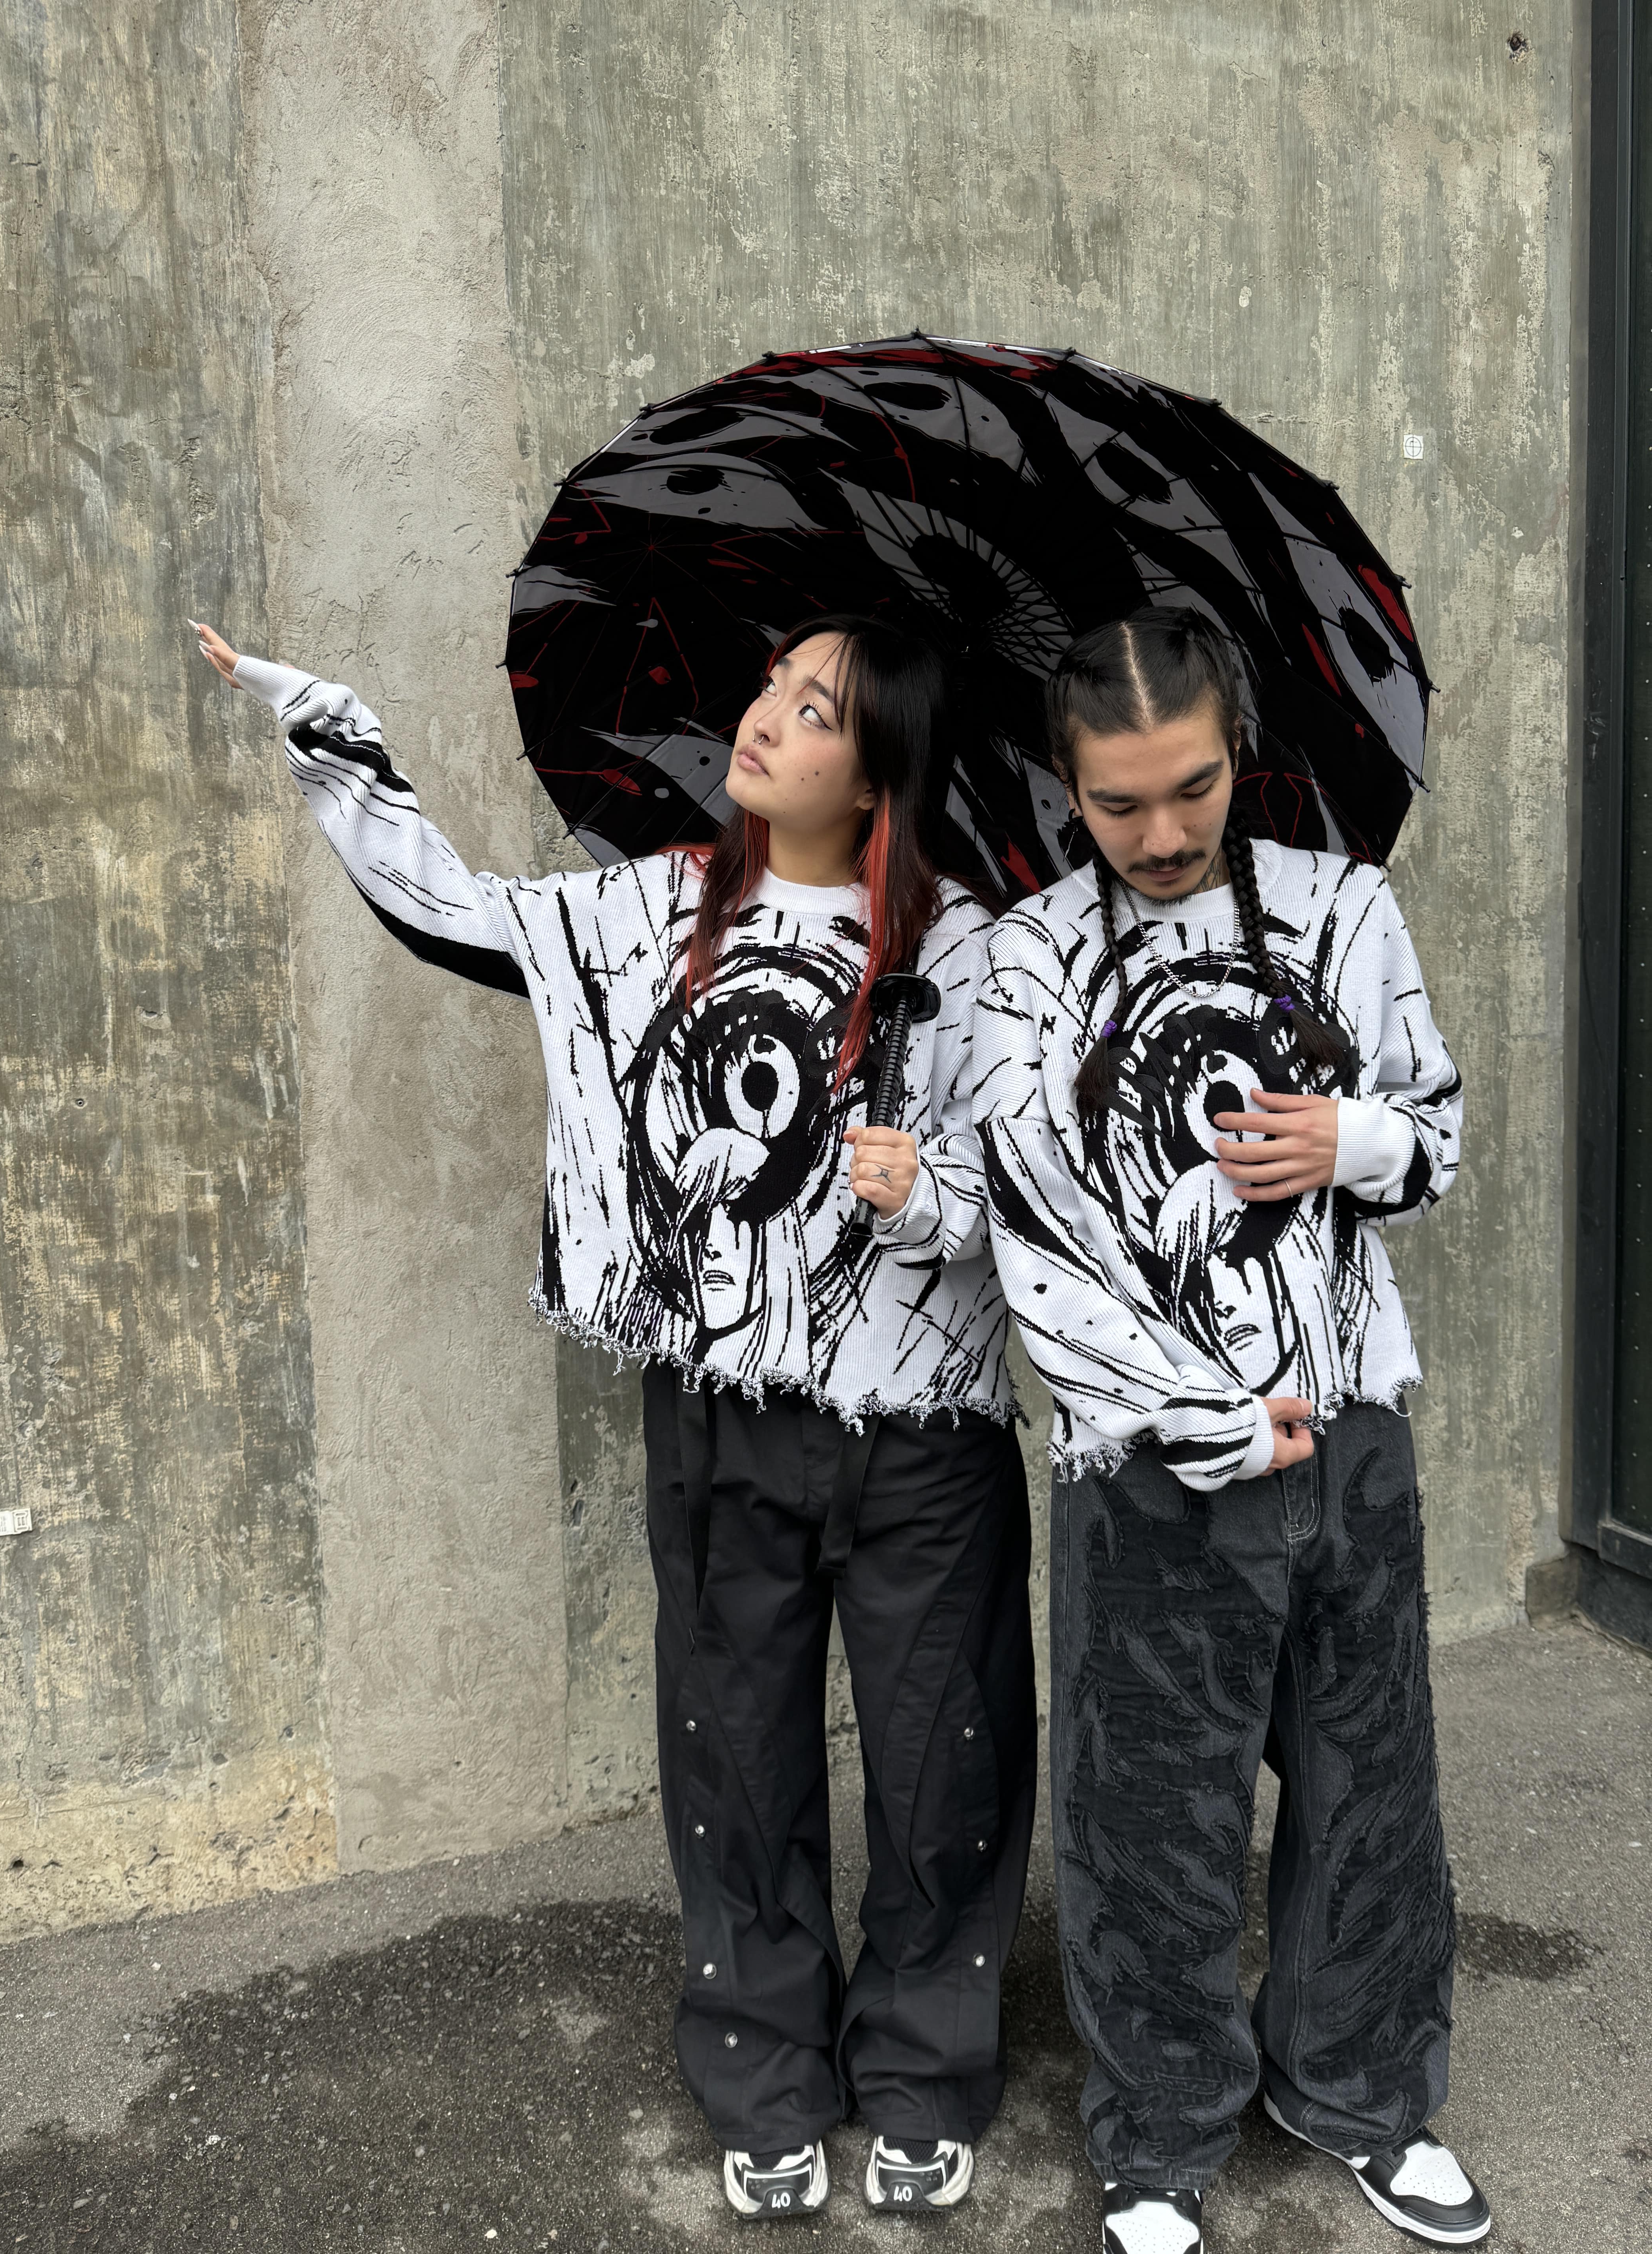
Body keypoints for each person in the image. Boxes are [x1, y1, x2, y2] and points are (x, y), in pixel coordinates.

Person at [191, 613, 1035, 2222]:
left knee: (948, 1759)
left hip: (928, 1434)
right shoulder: (655, 911)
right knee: (738, 1754)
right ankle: (766, 2069)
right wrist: (325, 724)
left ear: (883, 773)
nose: (766, 717)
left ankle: (926, 2068)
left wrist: (928, 1196)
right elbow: (453, 912)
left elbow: (1046, 1204)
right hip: (722, 1419)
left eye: (816, 709)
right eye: (772, 683)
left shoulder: (981, 956)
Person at [971, 607, 1489, 2254]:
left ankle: (1363, 2091)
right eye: (1119, 803)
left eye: (1191, 788)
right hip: (1152, 1471)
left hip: (1351, 1432)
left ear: (1237, 748)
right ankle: (1159, 2142)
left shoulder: (1345, 911)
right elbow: (1034, 1237)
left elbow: (1439, 1137)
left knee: (1371, 1784)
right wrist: (1192, 1411)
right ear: (1068, 787)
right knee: (1150, 1816)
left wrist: (1353, 1140)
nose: (1162, 833)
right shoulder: (1029, 960)